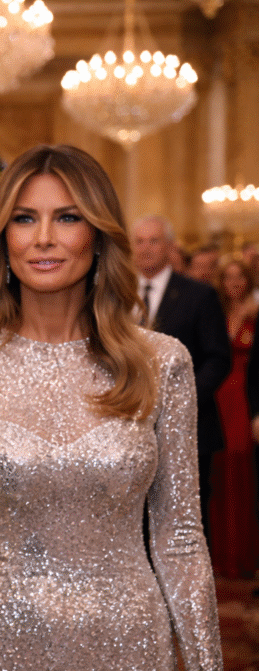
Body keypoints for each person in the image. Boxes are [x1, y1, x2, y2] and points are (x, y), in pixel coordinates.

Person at [0, 144, 222, 671]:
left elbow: (180, 538)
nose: (43, 238)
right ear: (4, 237)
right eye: (25, 219)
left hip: (131, 638)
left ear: (98, 235)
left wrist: (205, 662)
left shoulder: (161, 362)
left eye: (67, 217)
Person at [131, 215, 231, 542]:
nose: (145, 249)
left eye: (153, 241)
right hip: (129, 429)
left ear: (170, 246)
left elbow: (218, 358)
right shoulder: (114, 294)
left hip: (188, 426)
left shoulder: (198, 295)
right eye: (139, 241)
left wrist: (177, 400)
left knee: (186, 522)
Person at [211, 259, 259, 578]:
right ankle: (222, 555)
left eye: (238, 277)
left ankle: (246, 554)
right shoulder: (213, 314)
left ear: (247, 280)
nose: (233, 283)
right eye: (227, 278)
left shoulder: (256, 315)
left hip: (246, 396)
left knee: (244, 469)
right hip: (218, 395)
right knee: (219, 470)